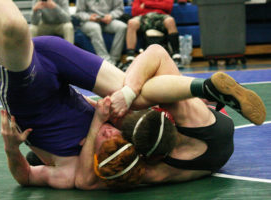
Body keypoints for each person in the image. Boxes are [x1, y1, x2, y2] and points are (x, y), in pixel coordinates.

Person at [0, 0, 128, 189]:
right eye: (119, 138)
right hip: (58, 65)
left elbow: (26, 176)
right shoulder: (120, 131)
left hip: (26, 91)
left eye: (108, 142)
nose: (110, 132)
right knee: (136, 94)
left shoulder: (68, 173)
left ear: (93, 155)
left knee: (13, 27)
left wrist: (11, 149)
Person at [80, 44, 266, 190]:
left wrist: (99, 120)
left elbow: (86, 183)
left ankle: (199, 93)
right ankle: (203, 89)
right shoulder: (153, 169)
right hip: (210, 125)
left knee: (137, 102)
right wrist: (125, 96)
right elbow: (156, 51)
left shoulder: (153, 172)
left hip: (216, 142)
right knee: (140, 96)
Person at [121, 0, 182, 71]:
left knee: (170, 21)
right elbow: (134, 11)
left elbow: (168, 7)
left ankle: (176, 56)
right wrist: (158, 5)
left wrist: (146, 4)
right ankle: (130, 58)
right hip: (144, 17)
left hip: (160, 16)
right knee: (131, 23)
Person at [75, 0, 127, 66]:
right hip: (88, 22)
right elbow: (79, 12)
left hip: (108, 21)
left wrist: (111, 16)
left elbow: (119, 9)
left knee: (122, 27)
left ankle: (114, 59)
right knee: (95, 27)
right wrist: (89, 17)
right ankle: (106, 61)